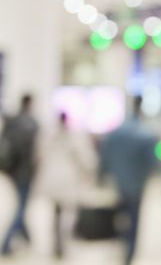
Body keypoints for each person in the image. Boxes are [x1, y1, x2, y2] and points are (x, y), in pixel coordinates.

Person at [99, 95, 158, 265]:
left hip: (119, 182)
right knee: (134, 218)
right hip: (137, 183)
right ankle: (130, 252)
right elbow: (152, 163)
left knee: (119, 215)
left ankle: (121, 244)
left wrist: (103, 175)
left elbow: (105, 156)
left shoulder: (116, 133)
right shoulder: (145, 134)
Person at [36, 111, 97, 258]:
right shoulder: (73, 137)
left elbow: (39, 155)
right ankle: (61, 242)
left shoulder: (48, 135)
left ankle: (57, 242)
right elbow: (84, 157)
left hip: (51, 177)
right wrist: (90, 171)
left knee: (56, 212)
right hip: (66, 178)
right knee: (66, 213)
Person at [1, 94, 39, 256]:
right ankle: (7, 243)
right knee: (21, 208)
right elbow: (32, 153)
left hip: (12, 171)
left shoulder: (13, 121)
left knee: (22, 205)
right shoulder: (30, 124)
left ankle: (27, 236)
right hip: (23, 172)